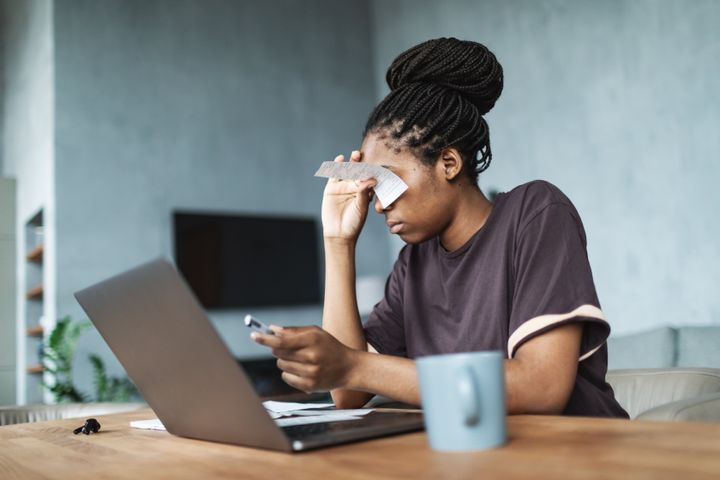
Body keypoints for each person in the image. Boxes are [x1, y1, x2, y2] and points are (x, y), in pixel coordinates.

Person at [252, 37, 628, 418]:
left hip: (577, 453)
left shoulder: (536, 213)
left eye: (387, 182)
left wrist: (354, 365)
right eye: (371, 188)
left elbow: (541, 387)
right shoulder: (412, 265)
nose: (379, 205)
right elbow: (348, 394)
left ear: (448, 163)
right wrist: (337, 241)